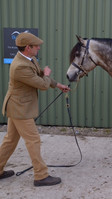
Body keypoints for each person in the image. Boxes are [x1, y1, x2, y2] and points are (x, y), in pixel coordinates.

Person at [0, 32, 70, 186]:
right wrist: (46, 74)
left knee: (10, 140)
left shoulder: (29, 59)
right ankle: (40, 176)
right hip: (20, 108)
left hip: (17, 106)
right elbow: (42, 83)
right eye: (36, 46)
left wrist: (59, 85)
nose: (38, 47)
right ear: (27, 47)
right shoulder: (19, 66)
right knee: (33, 140)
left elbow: (41, 77)